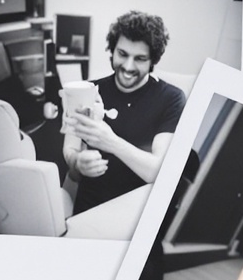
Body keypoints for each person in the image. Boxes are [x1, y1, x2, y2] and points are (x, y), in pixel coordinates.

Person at [66, 11, 188, 216]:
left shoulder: (171, 99)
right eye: (122, 54)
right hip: (90, 210)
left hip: (138, 215)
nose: (128, 67)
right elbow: (71, 159)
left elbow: (160, 173)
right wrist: (77, 163)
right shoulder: (86, 91)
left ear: (152, 61)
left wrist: (110, 141)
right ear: (112, 51)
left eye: (140, 58)